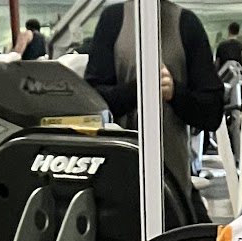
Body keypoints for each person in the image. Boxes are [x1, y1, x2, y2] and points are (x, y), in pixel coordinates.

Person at [85, 0, 222, 214]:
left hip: (172, 175)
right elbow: (91, 104)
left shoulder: (186, 24)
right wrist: (140, 88)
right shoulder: (113, 20)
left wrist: (175, 93)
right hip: (117, 175)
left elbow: (211, 112)